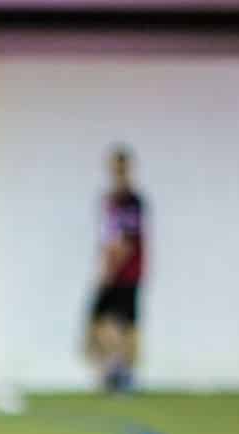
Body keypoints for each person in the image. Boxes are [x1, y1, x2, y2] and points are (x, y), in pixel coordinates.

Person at [86, 144, 146, 393]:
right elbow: (108, 237)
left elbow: (127, 241)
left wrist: (110, 270)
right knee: (102, 321)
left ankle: (124, 373)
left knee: (125, 322)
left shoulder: (132, 201)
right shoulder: (109, 200)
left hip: (126, 273)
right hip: (111, 269)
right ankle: (115, 368)